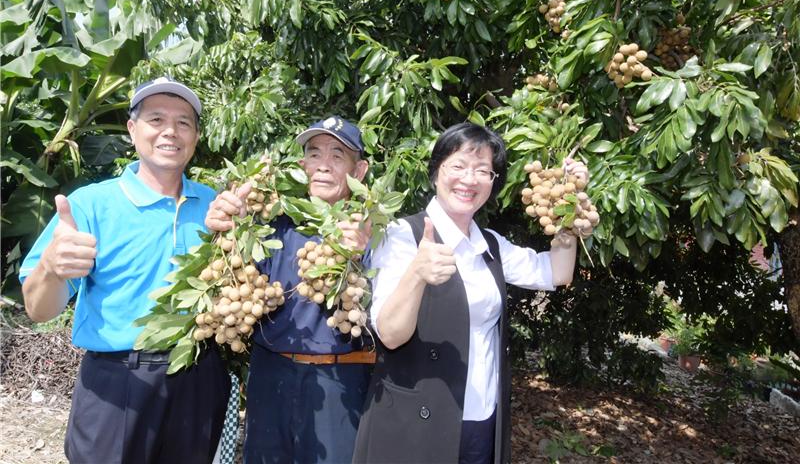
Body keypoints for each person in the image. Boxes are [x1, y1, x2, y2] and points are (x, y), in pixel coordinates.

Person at [20, 77, 231, 464]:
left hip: (198, 378)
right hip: (118, 384)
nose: (171, 131)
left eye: (184, 122)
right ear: (133, 130)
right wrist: (51, 268)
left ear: (196, 137)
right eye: (156, 119)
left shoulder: (216, 206)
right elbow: (39, 310)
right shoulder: (90, 205)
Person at [352, 122, 587, 464]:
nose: (469, 179)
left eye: (482, 170)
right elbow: (389, 334)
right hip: (415, 423)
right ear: (436, 173)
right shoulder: (402, 235)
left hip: (480, 420)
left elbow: (558, 271)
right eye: (458, 166)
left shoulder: (490, 244)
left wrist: (570, 203)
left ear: (492, 183)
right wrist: (417, 273)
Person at [205, 116, 373, 464]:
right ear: (300, 166)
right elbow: (236, 287)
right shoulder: (270, 226)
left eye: (337, 156)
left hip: (341, 378)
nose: (323, 166)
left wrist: (355, 256)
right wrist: (225, 231)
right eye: (314, 154)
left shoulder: (373, 232)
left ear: (359, 172)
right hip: (271, 373)